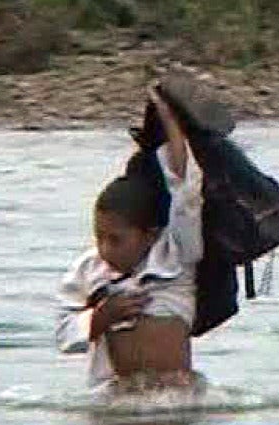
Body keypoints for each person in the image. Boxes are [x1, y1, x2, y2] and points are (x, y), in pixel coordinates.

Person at [56, 87, 204, 395]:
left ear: (150, 235)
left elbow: (185, 188)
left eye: (116, 240)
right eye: (99, 237)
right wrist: (100, 319)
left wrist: (170, 121)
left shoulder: (176, 256)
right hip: (114, 398)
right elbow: (63, 334)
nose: (105, 249)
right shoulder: (88, 269)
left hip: (175, 401)